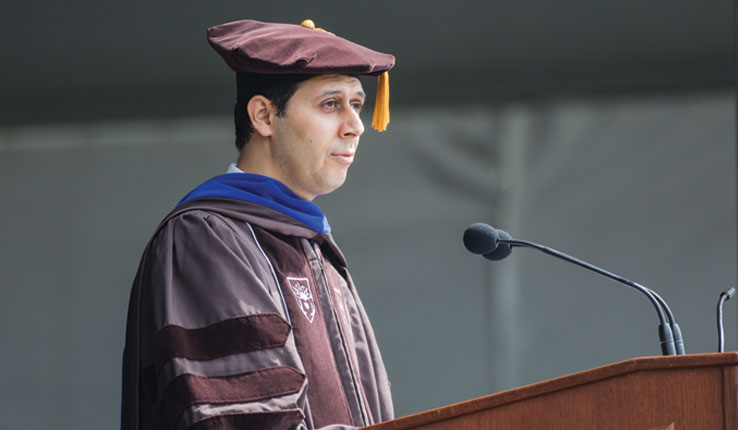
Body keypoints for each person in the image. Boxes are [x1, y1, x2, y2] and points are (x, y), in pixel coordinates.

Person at [121, 19, 395, 430]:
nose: (355, 125)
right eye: (330, 104)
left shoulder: (318, 251)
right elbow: (238, 416)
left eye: (356, 104)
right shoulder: (206, 238)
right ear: (264, 116)